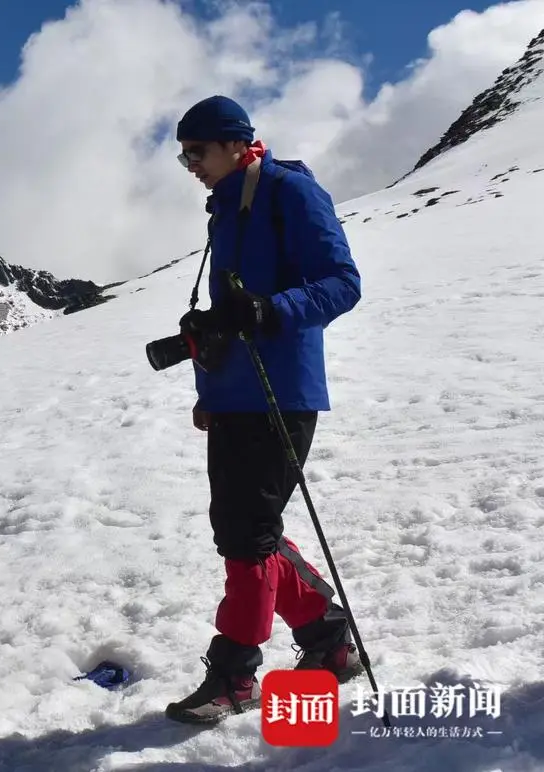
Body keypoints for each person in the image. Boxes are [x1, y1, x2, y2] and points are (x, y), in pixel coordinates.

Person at [163, 95, 364, 725]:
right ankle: (329, 641)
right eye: (183, 156)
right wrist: (210, 386)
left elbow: (343, 283)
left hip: (281, 392)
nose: (190, 165)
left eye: (197, 152)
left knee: (246, 536)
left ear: (235, 143)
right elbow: (236, 313)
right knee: (248, 530)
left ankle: (234, 676)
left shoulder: (288, 193)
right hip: (236, 394)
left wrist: (272, 309)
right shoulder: (226, 208)